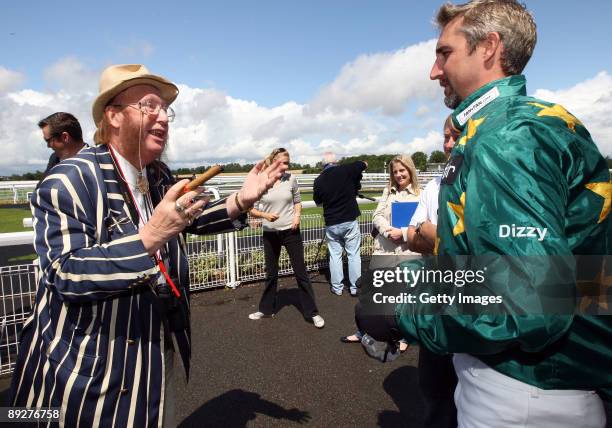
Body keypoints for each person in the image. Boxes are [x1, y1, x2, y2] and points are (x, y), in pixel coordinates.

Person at [357, 1, 611, 427]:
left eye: (444, 53)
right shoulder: (535, 121)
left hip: (524, 391)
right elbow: (572, 276)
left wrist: (401, 309)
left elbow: (528, 305)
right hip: (550, 378)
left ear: (489, 47)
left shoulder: (506, 138)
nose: (434, 71)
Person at [10, 64, 287, 427]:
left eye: (165, 109)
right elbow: (64, 273)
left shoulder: (158, 175)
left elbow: (193, 220)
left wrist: (242, 200)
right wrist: (149, 238)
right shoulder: (69, 180)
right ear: (113, 116)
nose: (162, 118)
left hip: (154, 350)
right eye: (148, 107)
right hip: (91, 366)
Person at [405, 116, 459, 428]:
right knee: (435, 388)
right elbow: (410, 236)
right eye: (445, 136)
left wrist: (429, 232)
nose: (448, 143)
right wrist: (426, 232)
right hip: (436, 294)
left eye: (455, 136)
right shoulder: (434, 186)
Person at [340, 154, 420, 347]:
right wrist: (387, 230)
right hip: (384, 249)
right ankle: (363, 330)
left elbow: (422, 225)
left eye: (402, 170)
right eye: (395, 172)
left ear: (410, 170)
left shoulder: (421, 194)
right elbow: (377, 215)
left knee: (403, 296)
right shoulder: (388, 191)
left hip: (407, 252)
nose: (399, 175)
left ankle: (403, 335)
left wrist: (401, 233)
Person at [247, 148, 324, 328]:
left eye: (287, 163)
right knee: (271, 274)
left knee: (301, 273)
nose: (285, 166)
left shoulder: (291, 179)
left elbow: (297, 201)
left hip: (291, 231)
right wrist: (265, 216)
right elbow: (250, 207)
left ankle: (312, 313)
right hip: (270, 233)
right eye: (281, 162)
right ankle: (266, 310)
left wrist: (297, 216)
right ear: (273, 162)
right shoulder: (262, 181)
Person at [313, 153, 367, 296]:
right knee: (353, 254)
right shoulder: (346, 169)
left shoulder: (318, 180)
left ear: (322, 165)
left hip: (331, 222)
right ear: (336, 162)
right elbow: (363, 163)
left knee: (335, 256)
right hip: (349, 219)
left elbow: (318, 202)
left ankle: (337, 288)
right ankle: (355, 287)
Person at [38, 112, 87, 176]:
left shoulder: (97, 161)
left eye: (48, 141)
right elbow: (43, 185)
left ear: (65, 137)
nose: (48, 146)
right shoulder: (54, 159)